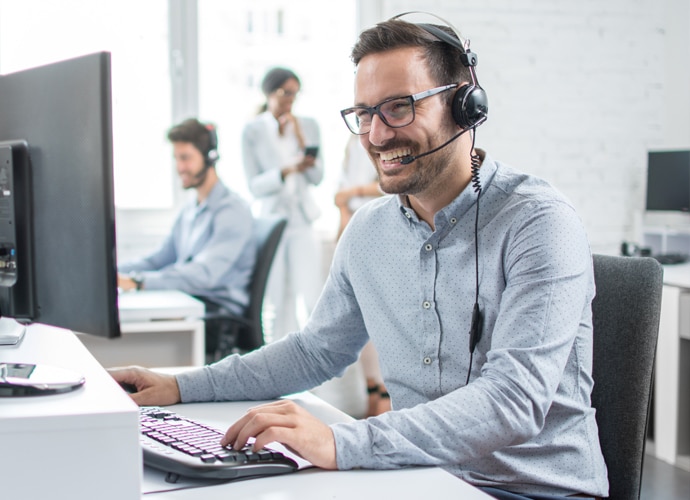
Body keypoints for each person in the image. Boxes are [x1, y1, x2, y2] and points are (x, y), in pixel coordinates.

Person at [110, 16, 608, 499]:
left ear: (464, 105)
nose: (376, 135)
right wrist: (178, 386)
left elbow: (513, 401)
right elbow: (315, 351)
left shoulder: (538, 223)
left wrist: (338, 441)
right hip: (417, 479)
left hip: (532, 490)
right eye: (364, 114)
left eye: (398, 108)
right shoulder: (370, 230)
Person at [118, 118, 256, 355]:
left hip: (217, 317)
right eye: (176, 158)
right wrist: (113, 272)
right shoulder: (190, 209)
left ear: (210, 157)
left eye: (186, 158)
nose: (179, 167)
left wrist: (139, 282)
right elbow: (159, 259)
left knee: (133, 335)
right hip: (190, 303)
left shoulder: (232, 211)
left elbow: (205, 274)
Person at [240, 67, 325, 340]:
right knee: (277, 301)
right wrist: (285, 170)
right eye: (286, 93)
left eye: (295, 94)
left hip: (302, 221)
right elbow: (254, 186)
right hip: (273, 222)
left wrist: (302, 141)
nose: (291, 99)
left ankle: (314, 369)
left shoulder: (308, 125)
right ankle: (276, 367)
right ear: (269, 93)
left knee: (312, 297)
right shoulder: (252, 131)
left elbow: (317, 176)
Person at [334, 136, 390, 417]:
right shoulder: (350, 145)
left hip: (380, 229)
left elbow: (390, 186)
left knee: (381, 319)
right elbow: (341, 192)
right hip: (355, 230)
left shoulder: (386, 140)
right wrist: (344, 216)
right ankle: (373, 392)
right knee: (362, 321)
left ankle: (385, 394)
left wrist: (353, 193)